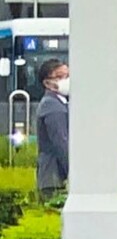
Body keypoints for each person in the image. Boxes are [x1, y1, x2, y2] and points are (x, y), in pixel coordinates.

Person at [33, 59, 69, 201]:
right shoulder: (52, 106)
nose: (66, 80)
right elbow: (61, 142)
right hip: (54, 178)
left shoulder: (60, 103)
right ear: (47, 83)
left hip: (53, 177)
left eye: (68, 76)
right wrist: (73, 172)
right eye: (60, 77)